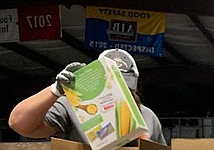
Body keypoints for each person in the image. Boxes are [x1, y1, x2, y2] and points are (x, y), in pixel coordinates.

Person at [8, 49, 165, 145]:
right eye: (113, 86)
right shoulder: (73, 107)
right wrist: (55, 91)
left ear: (134, 87)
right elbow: (19, 123)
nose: (119, 94)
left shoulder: (148, 117)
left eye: (124, 87)